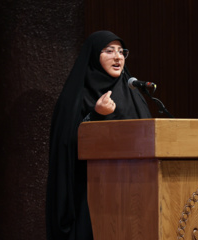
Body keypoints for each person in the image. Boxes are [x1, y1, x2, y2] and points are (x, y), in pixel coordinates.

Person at [46, 31, 152, 240]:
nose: (118, 57)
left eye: (122, 52)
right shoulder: (76, 96)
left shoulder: (133, 94)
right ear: (94, 55)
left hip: (136, 191)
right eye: (109, 51)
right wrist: (95, 115)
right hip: (91, 192)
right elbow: (66, 146)